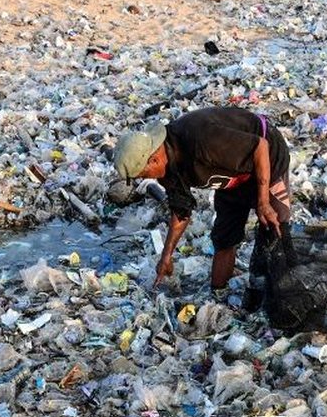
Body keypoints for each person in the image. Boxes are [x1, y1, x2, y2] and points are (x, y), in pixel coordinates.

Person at [114, 106, 293, 295]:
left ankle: (287, 294)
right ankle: (219, 293)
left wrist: (263, 202)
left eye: (142, 174)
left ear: (154, 160)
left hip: (266, 158)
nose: (144, 179)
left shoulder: (199, 140)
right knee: (224, 238)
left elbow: (260, 146)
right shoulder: (167, 171)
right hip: (230, 179)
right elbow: (181, 212)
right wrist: (166, 256)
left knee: (274, 228)